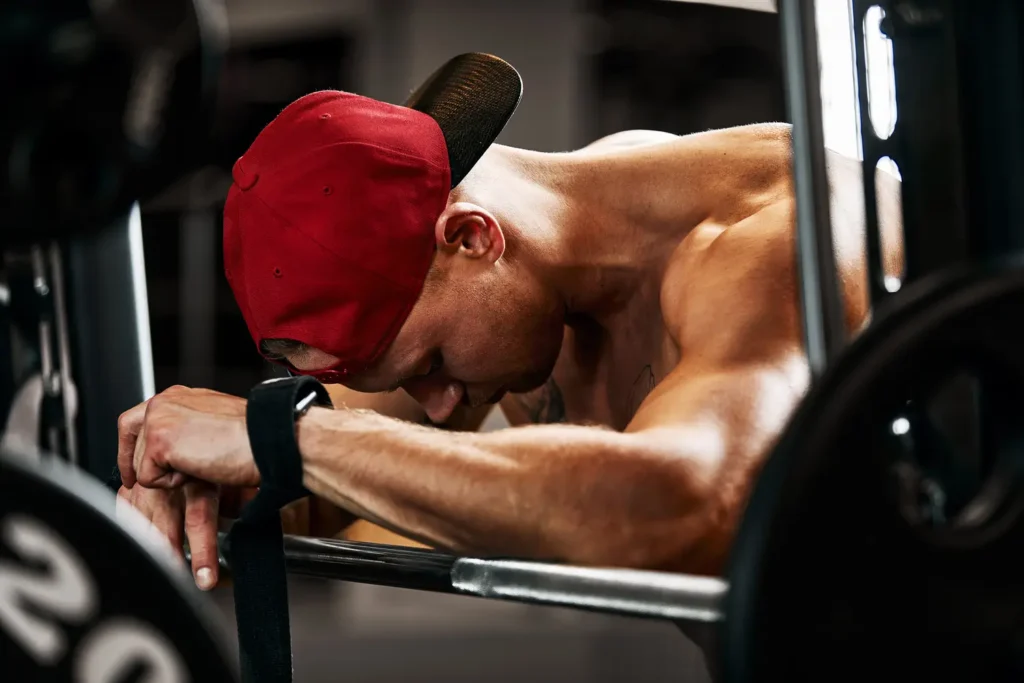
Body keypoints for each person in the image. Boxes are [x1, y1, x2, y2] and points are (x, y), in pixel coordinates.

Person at [116, 54, 903, 592]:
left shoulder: (780, 241)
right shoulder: (534, 273)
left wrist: (288, 440)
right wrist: (200, 488)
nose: (439, 406)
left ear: (472, 235)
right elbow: (321, 480)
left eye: (429, 366)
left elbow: (688, 509)